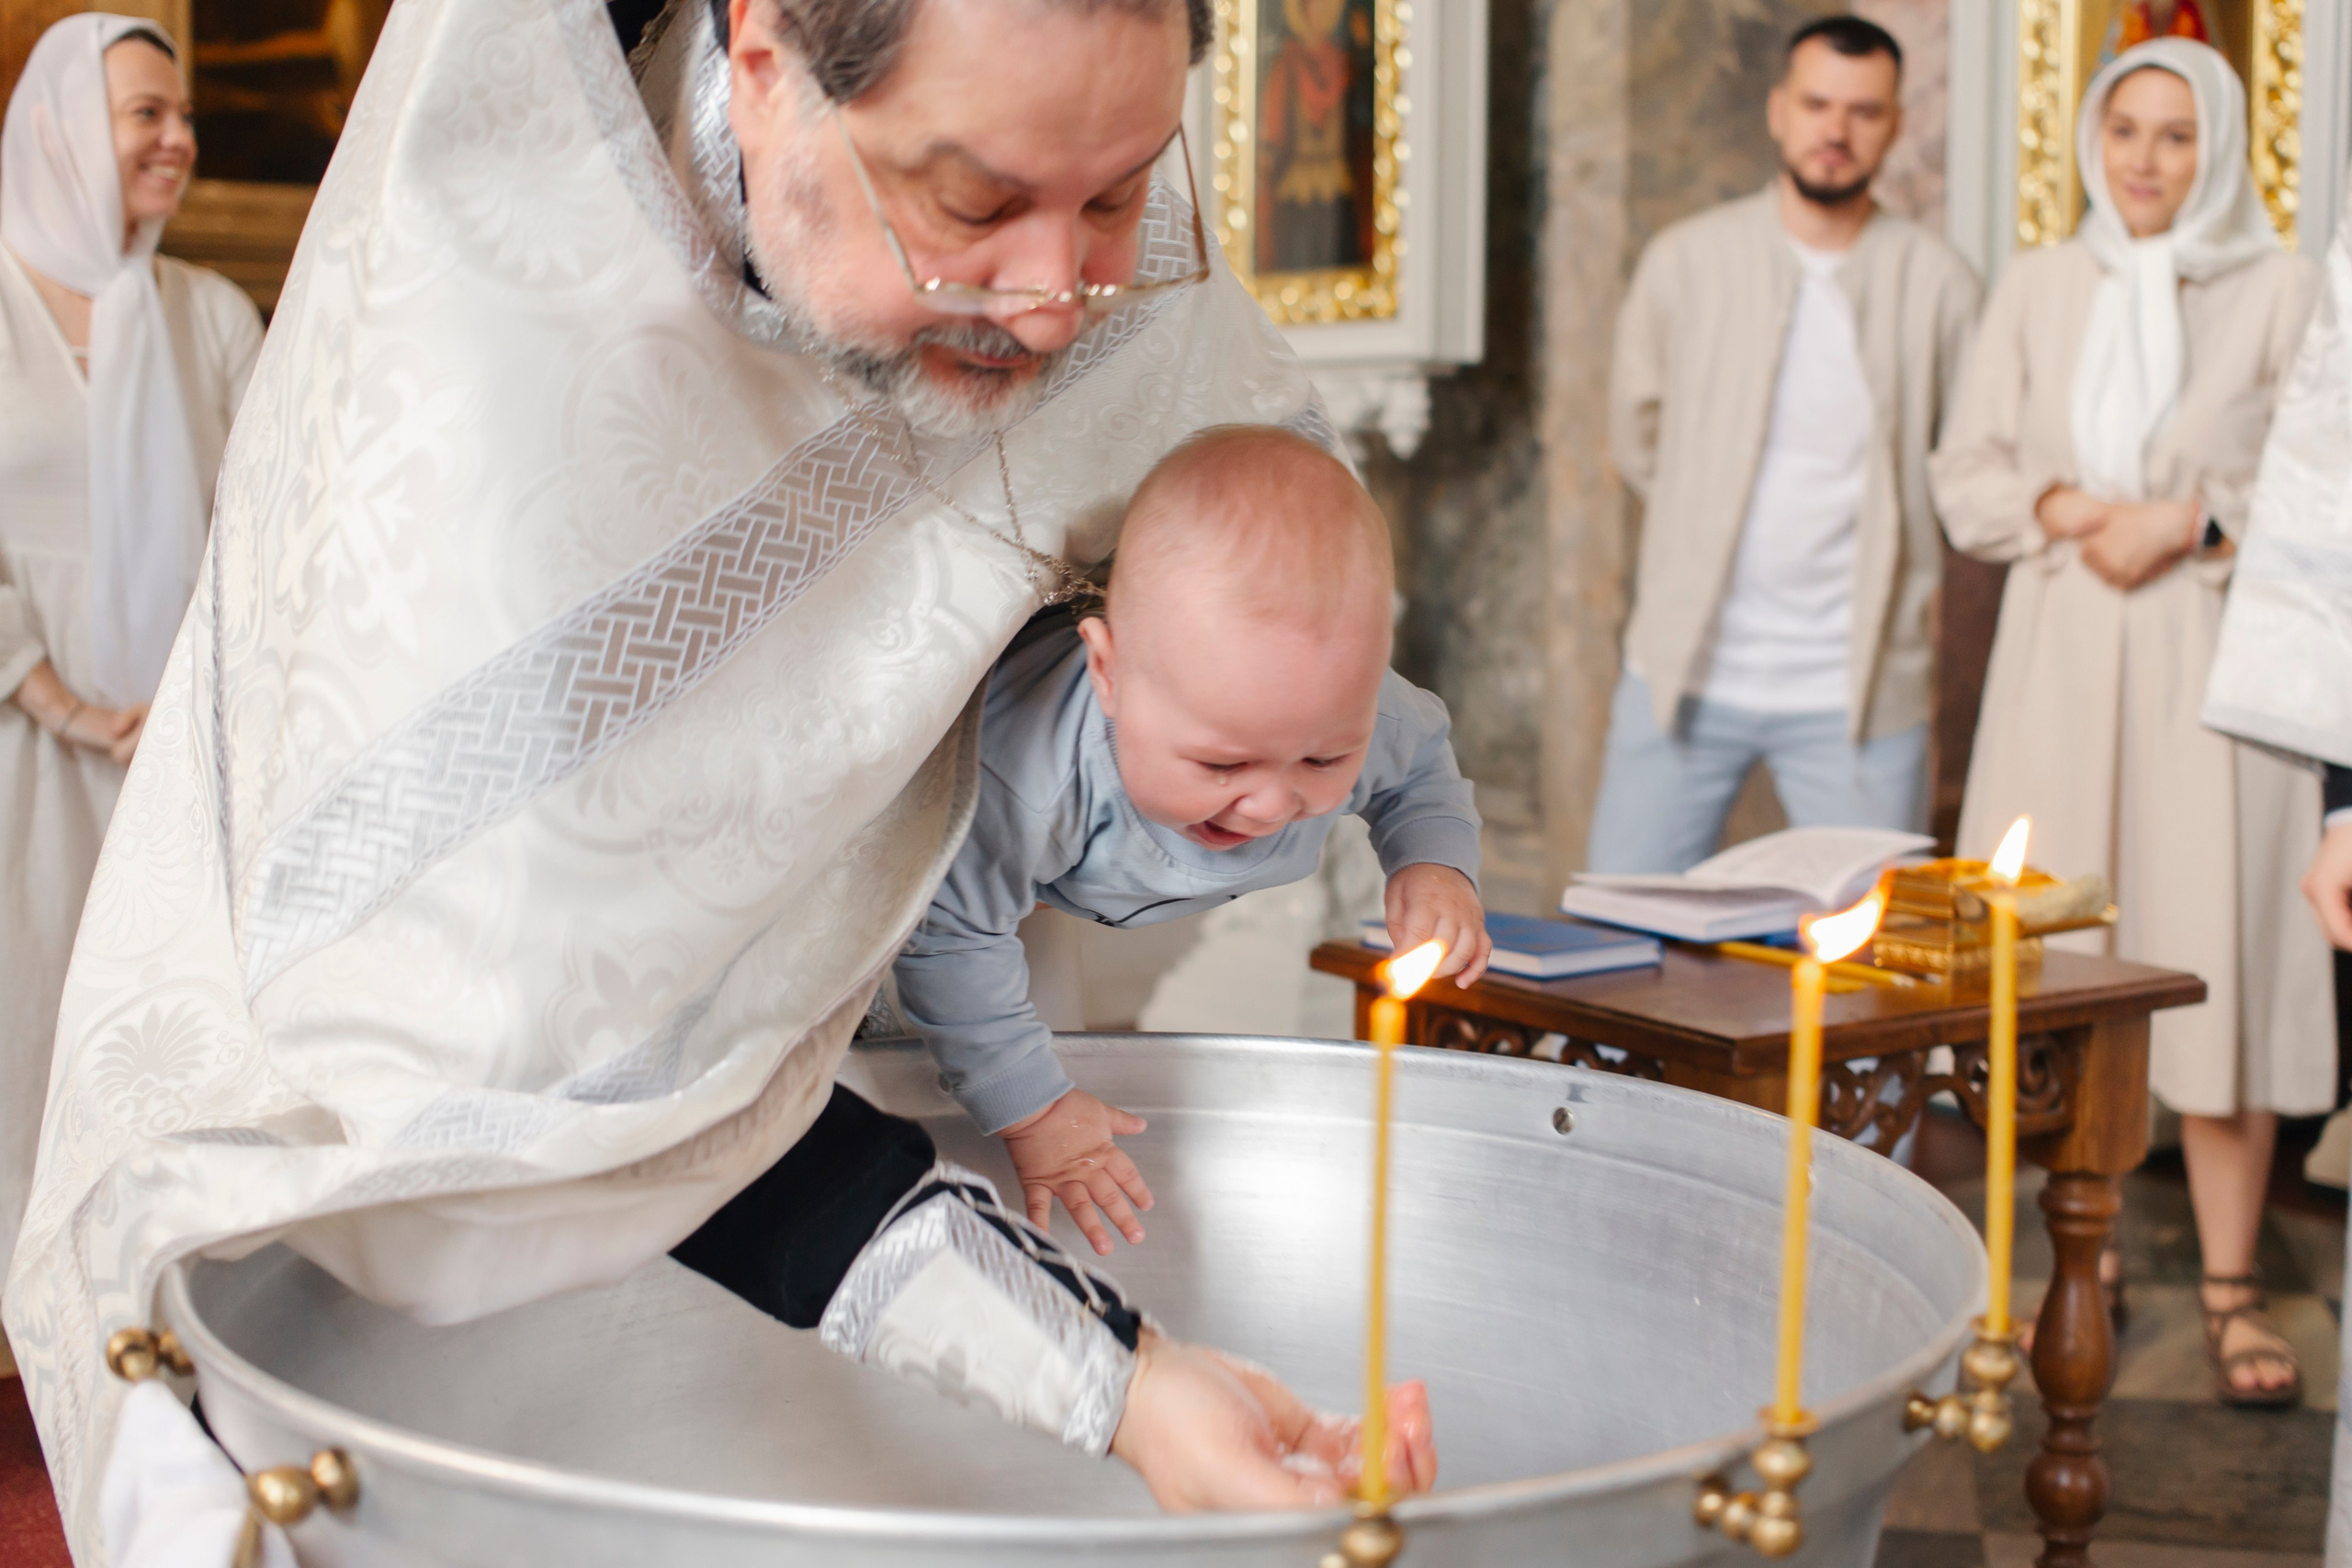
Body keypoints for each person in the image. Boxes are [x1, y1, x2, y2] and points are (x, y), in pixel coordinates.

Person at [5, 0, 1437, 1558]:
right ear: (762, 67)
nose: (1055, 303)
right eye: (972, 206)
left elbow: (1234, 489)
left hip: (869, 1149)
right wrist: (1119, 1384)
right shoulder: (491, 406)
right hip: (379, 1252)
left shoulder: (1088, 231)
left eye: (1117, 193)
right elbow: (603, 1095)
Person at [1932, 38, 2330, 1406]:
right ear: (2093, 143)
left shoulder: (2283, 287)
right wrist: (2073, 509)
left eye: (2175, 135)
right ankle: (2058, 1272)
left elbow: (2323, 484)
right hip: (2061, 649)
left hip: (2217, 663)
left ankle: (2231, 1283)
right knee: (2051, 959)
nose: (2147, 161)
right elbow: (1968, 469)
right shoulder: (2044, 284)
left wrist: (2194, 518)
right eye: (2125, 132)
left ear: (2220, 146)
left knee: (2215, 948)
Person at [894, 426, 1488, 1256]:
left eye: (1324, 757)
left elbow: (1420, 764)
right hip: (949, 844)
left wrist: (1433, 862)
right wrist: (1033, 1111)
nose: (1272, 801)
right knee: (960, 1035)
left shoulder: (1354, 711)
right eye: (1222, 760)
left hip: (1067, 861)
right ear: (1107, 672)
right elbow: (946, 933)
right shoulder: (1028, 776)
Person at [0, 17, 262, 1301]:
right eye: (145, 112)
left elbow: (275, 525)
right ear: (57, 130)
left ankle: (159, 1321)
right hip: (15, 746)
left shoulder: (208, 315)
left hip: (180, 755)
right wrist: (46, 691)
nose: (179, 138)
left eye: (184, 114)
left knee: (170, 1052)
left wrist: (192, 695)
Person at [1589, 15, 1979, 874]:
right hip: (1684, 673)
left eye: (1864, 111)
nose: (1835, 131)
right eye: (1816, 104)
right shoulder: (1685, 262)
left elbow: (1967, 463)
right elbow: (1638, 437)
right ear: (1777, 111)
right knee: (1615, 926)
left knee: (1877, 966)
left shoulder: (1941, 284)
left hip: (1861, 691)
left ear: (1896, 126)